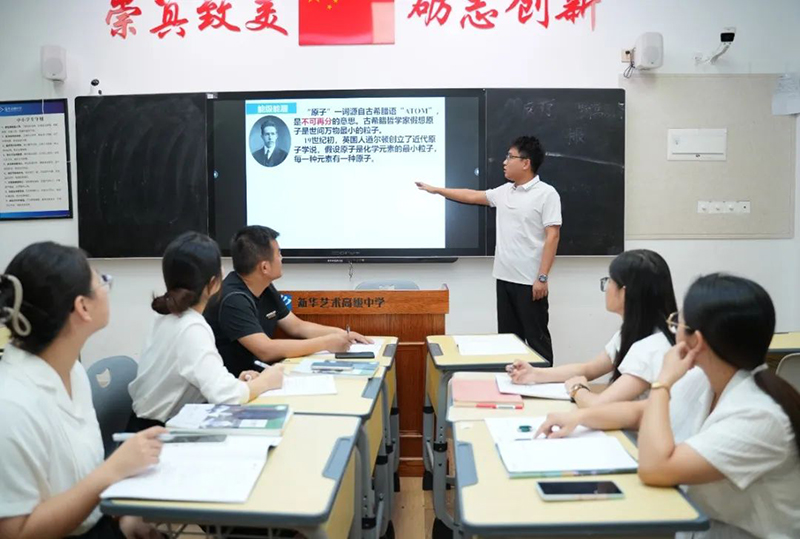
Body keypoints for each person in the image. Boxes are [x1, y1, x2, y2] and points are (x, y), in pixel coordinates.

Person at [538, 274, 800, 538]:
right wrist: (581, 417)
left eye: (677, 324)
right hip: (700, 523)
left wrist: (663, 381)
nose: (672, 330)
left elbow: (655, 469)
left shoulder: (760, 415)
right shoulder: (704, 378)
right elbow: (640, 413)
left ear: (696, 341)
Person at [0, 242, 165, 539]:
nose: (107, 288)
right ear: (82, 307)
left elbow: (78, 483)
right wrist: (112, 471)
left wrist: (121, 518)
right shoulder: (11, 405)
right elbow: (16, 533)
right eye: (102, 281)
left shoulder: (72, 371)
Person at [416, 135, 561, 362]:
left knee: (537, 340)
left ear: (526, 163)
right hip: (504, 278)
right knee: (508, 341)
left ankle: (546, 382)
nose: (504, 162)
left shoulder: (546, 193)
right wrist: (436, 190)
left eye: (510, 157)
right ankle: (513, 382)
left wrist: (542, 277)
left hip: (530, 282)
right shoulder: (505, 191)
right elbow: (471, 195)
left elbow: (553, 235)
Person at [128, 232, 284, 429]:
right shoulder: (192, 327)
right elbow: (227, 397)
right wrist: (266, 382)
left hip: (158, 422)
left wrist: (237, 383)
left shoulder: (166, 316)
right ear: (214, 283)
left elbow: (208, 382)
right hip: (158, 433)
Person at [507, 249, 679, 408]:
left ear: (625, 293)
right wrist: (534, 374)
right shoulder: (635, 332)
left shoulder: (651, 349)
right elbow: (588, 369)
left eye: (610, 281)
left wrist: (577, 389)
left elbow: (599, 406)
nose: (606, 287)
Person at [204, 225, 371, 377]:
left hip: (260, 378)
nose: (281, 258)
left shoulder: (264, 287)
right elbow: (265, 350)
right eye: (278, 253)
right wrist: (326, 343)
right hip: (238, 385)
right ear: (264, 267)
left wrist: (342, 334)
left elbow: (297, 327)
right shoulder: (233, 299)